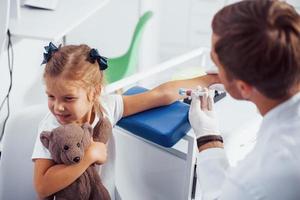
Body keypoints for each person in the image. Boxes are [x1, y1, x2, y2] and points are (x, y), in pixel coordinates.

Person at [31, 43, 218, 199]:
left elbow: (159, 94)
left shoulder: (107, 107)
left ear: (94, 92)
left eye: (68, 98)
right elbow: (42, 186)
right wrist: (88, 157)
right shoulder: (52, 126)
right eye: (51, 96)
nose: (57, 107)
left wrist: (211, 78)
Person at [189, 0, 300, 199]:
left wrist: (207, 136)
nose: (210, 71)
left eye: (216, 63)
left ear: (244, 87)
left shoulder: (262, 174)